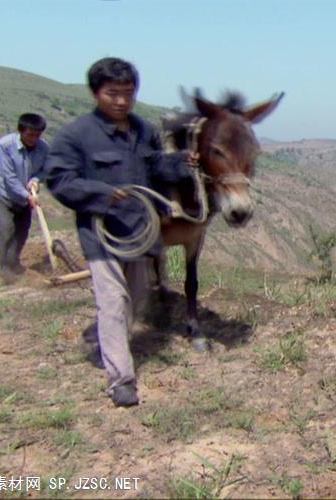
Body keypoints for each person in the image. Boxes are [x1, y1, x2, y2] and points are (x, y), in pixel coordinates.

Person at [45, 57, 194, 407]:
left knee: (136, 298)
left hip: (141, 231)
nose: (121, 101)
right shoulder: (75, 135)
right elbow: (60, 181)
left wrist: (181, 163)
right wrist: (100, 194)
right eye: (113, 94)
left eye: (128, 93)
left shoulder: (144, 130)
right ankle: (121, 379)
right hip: (103, 236)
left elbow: (157, 168)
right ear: (97, 93)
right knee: (112, 302)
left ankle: (112, 344)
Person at [0, 113, 49, 284]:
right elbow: (8, 176)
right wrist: (27, 195)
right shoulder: (5, 145)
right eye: (30, 135)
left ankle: (13, 261)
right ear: (21, 131)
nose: (34, 139)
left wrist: (36, 180)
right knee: (6, 228)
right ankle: (5, 268)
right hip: (3, 195)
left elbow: (45, 170)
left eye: (38, 135)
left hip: (24, 199)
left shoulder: (44, 148)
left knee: (22, 232)